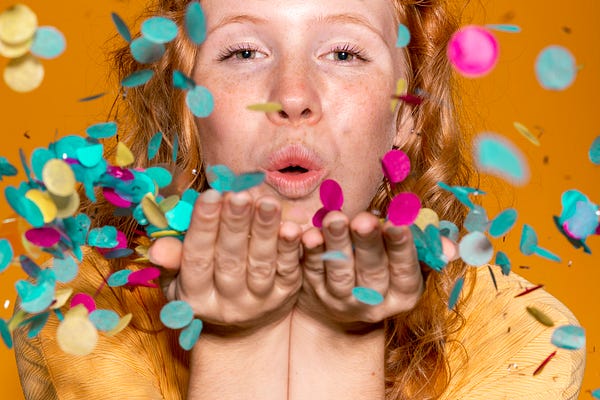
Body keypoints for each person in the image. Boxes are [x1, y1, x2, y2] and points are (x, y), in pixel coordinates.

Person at [14, 0, 585, 399]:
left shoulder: (516, 338)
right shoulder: (85, 316)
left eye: (344, 54)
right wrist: (234, 344)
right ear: (188, 111)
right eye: (243, 53)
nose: (292, 96)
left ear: (407, 114)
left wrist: (343, 339)